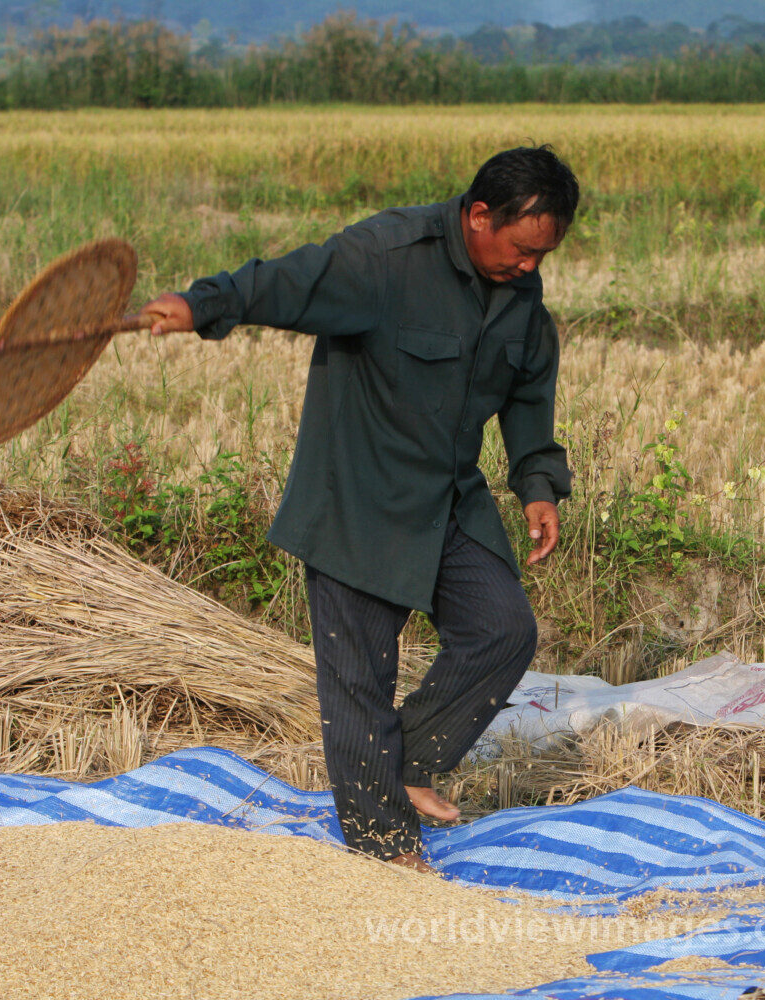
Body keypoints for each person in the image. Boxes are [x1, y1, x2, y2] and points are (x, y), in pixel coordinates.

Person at [141, 146, 579, 871]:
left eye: (544, 255)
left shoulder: (521, 299)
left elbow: (529, 397)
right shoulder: (385, 257)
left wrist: (537, 483)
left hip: (446, 499)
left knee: (503, 629)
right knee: (359, 683)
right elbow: (288, 282)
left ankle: (401, 766)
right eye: (523, 249)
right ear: (478, 216)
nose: (531, 267)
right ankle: (383, 851)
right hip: (358, 496)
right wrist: (201, 305)